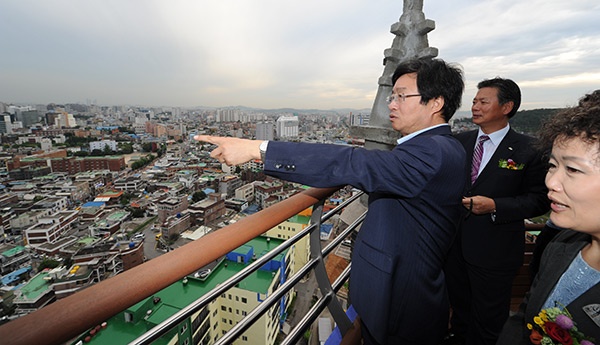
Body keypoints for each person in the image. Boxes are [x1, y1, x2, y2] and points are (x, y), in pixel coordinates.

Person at [196, 57, 466, 345]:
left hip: (404, 306)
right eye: (392, 95)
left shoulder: (434, 153)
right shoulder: (443, 147)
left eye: (402, 95)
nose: (392, 103)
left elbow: (352, 162)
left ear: (436, 103)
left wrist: (256, 149)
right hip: (404, 295)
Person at [443, 78, 550, 345]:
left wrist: (496, 206)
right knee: (460, 318)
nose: (475, 107)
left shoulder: (529, 149)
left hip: (495, 253)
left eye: (483, 102)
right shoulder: (459, 142)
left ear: (507, 107)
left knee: (490, 322)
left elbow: (539, 200)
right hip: (454, 249)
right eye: (474, 101)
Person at [497, 91, 600, 344]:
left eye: (573, 169)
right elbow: (523, 321)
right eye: (553, 166)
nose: (551, 181)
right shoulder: (559, 247)